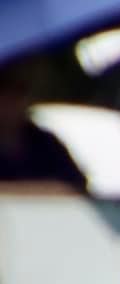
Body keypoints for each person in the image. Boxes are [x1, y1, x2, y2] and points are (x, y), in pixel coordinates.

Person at [0, 58, 86, 189]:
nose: (10, 105)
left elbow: (77, 186)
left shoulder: (46, 143)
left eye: (17, 96)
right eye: (5, 98)